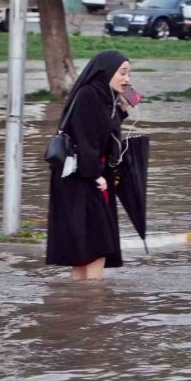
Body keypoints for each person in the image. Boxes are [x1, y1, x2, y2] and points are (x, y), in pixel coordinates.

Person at [45, 50, 132, 281]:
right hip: (82, 176)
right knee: (96, 245)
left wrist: (123, 105)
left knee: (87, 247)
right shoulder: (89, 95)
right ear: (105, 72)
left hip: (89, 174)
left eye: (129, 73)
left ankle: (79, 304)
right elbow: (86, 137)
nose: (127, 79)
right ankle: (93, 302)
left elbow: (104, 129)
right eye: (122, 73)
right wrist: (95, 176)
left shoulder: (104, 96)